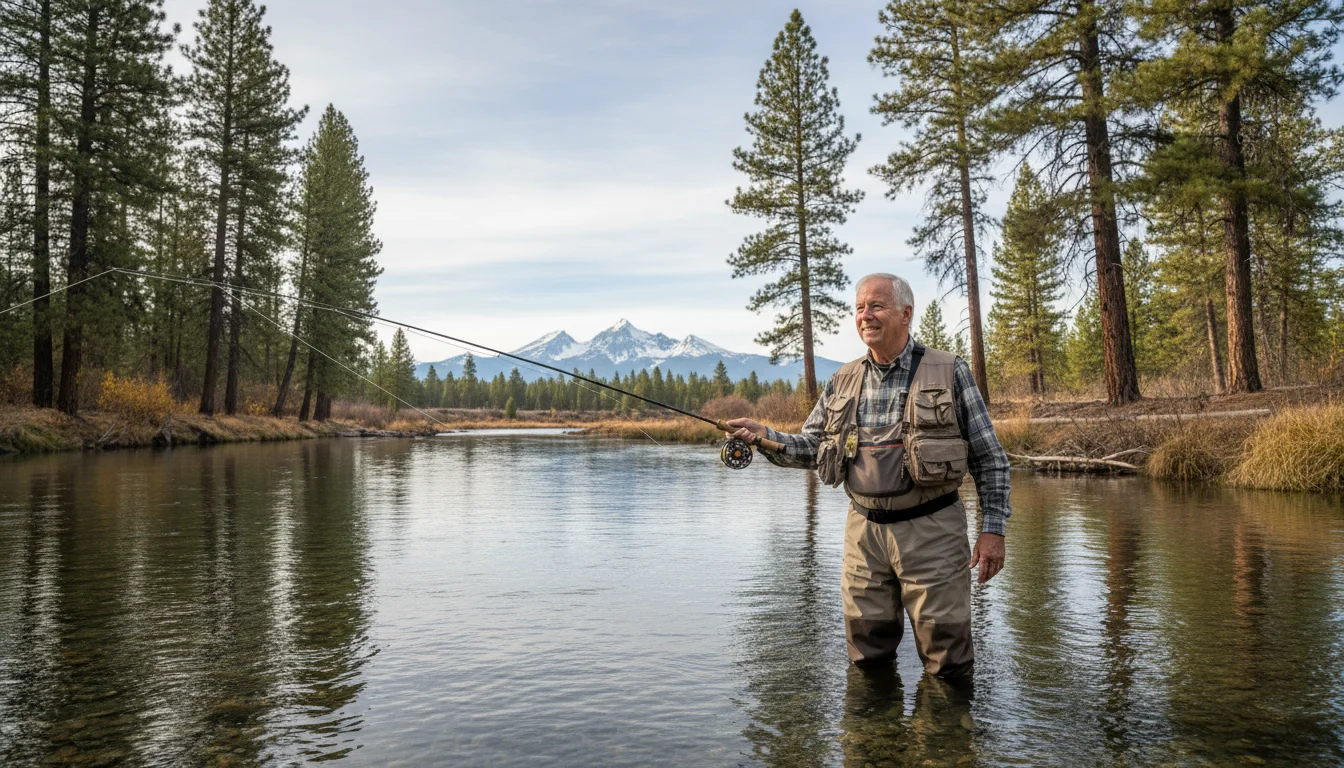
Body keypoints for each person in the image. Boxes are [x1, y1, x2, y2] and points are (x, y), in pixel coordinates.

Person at [727, 273, 1010, 677]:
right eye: (859, 308)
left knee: (948, 661)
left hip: (933, 530)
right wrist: (763, 437)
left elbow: (990, 459)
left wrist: (993, 531)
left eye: (876, 306)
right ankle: (871, 738)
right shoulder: (843, 379)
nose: (865, 316)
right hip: (863, 535)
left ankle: (946, 739)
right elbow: (812, 448)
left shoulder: (949, 370)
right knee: (865, 659)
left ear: (906, 314)